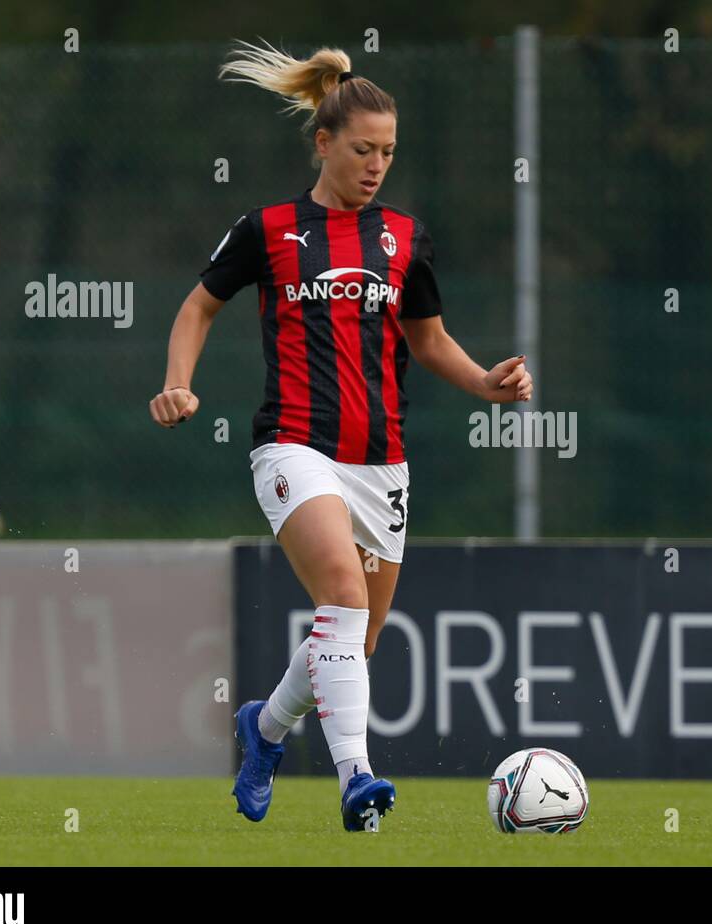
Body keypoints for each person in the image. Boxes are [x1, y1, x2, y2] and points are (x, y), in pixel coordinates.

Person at [148, 41, 532, 831]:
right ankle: (358, 778)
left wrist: (486, 382)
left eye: (388, 152)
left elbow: (427, 340)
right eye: (363, 149)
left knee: (352, 643)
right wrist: (178, 382)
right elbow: (197, 307)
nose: (377, 165)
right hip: (292, 446)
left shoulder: (403, 237)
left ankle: (264, 728)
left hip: (380, 463)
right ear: (323, 143)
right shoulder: (270, 229)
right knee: (344, 598)